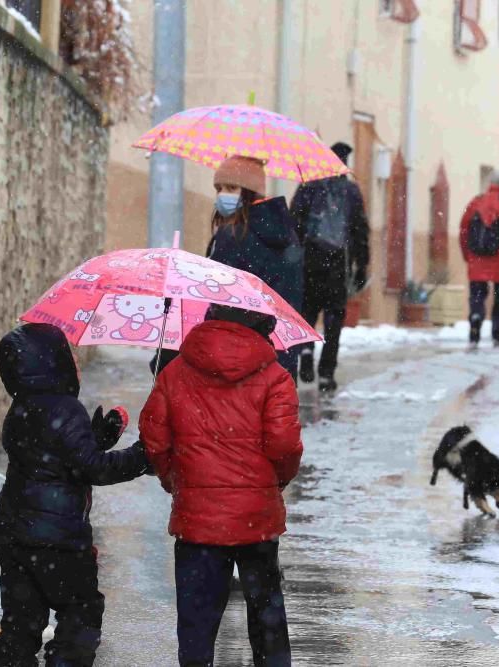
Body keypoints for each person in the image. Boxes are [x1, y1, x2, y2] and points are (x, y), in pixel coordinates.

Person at [139, 304, 303, 667]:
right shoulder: (275, 377)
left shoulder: (174, 373)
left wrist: (175, 481)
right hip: (256, 519)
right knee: (266, 617)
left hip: (197, 520)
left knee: (197, 622)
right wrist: (274, 483)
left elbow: (154, 437)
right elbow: (284, 445)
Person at [0, 323, 152, 667]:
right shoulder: (65, 408)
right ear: (52, 361)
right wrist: (141, 456)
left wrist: (94, 440)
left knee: (20, 625)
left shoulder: (20, 410)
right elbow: (93, 469)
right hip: (58, 540)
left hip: (14, 535)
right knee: (81, 614)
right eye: (67, 353)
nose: (74, 360)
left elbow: (53, 459)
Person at [207, 155, 304, 381]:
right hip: (279, 354)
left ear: (251, 192)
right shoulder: (288, 235)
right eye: (219, 188)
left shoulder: (232, 236)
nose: (222, 195)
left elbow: (215, 298)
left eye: (231, 187)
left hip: (236, 357)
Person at [289, 141, 370, 392]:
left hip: (310, 260)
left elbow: (294, 221)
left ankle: (304, 350)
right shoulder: (351, 192)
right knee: (335, 320)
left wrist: (295, 255)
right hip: (336, 263)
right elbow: (360, 231)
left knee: (307, 313)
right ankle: (327, 372)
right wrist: (361, 265)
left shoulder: (308, 187)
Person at [458, 171, 499, 347]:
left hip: (476, 259)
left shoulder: (475, 202)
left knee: (477, 296)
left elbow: (464, 229)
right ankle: (498, 333)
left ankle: (475, 325)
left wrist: (467, 254)